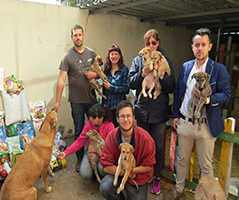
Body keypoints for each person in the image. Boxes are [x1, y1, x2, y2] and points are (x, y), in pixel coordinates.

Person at [164, 28, 231, 199]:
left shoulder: (219, 69)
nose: (199, 48)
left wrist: (207, 99)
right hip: (186, 122)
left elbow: (226, 94)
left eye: (203, 44)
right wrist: (176, 116)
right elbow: (179, 91)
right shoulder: (186, 66)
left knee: (206, 166)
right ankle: (178, 191)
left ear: (209, 46)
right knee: (182, 160)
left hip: (206, 125)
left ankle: (204, 197)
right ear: (192, 47)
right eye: (196, 45)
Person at [128, 29, 175, 194]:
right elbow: (131, 83)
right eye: (148, 43)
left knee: (159, 147)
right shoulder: (138, 60)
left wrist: (161, 75)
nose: (151, 46)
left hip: (159, 112)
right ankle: (142, 176)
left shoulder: (165, 60)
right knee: (141, 145)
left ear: (158, 43)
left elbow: (171, 86)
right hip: (142, 111)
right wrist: (143, 73)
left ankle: (156, 177)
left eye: (153, 43)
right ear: (144, 45)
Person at [53, 24, 98, 172]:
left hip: (92, 99)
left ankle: (96, 155)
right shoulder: (67, 57)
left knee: (96, 129)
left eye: (80, 34)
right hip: (76, 102)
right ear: (72, 37)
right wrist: (58, 101)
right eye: (75, 35)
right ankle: (80, 159)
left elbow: (99, 71)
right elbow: (61, 80)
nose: (78, 37)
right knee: (79, 131)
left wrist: (95, 75)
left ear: (83, 36)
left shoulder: (92, 53)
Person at [99, 100, 156, 200]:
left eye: (129, 116)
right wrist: (124, 172)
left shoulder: (145, 138)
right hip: (120, 170)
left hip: (137, 175)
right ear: (117, 119)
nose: (126, 119)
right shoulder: (112, 136)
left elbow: (148, 167)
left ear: (133, 118)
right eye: (122, 116)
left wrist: (131, 171)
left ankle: (130, 190)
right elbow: (106, 167)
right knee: (105, 188)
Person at [57, 104, 114, 180]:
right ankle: (93, 173)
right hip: (91, 152)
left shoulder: (110, 126)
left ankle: (103, 178)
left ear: (101, 119)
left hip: (105, 153)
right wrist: (66, 153)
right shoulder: (89, 124)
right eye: (90, 116)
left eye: (93, 117)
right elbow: (80, 141)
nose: (90, 119)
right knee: (85, 174)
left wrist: (97, 150)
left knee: (102, 169)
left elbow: (111, 148)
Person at [102, 44, 129, 127]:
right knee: (109, 133)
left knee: (120, 132)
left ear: (120, 56)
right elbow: (104, 91)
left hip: (120, 108)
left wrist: (111, 87)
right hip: (108, 108)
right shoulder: (106, 71)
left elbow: (126, 89)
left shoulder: (124, 70)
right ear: (109, 56)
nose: (114, 56)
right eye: (112, 54)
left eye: (116, 54)